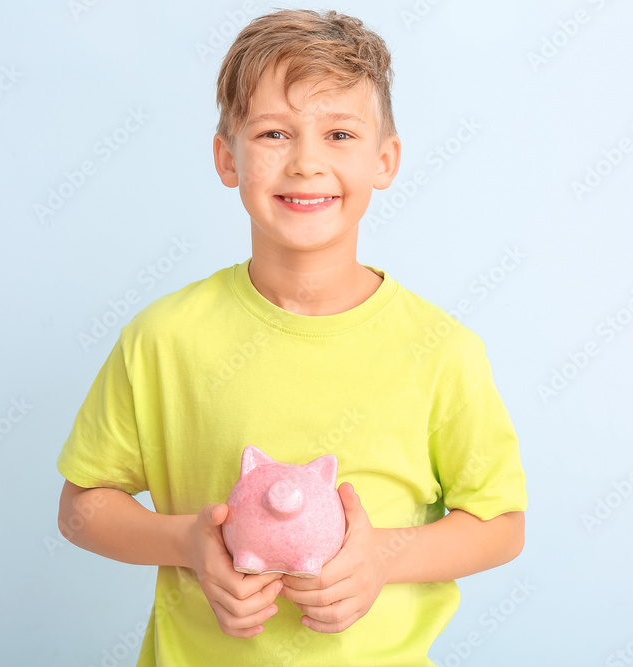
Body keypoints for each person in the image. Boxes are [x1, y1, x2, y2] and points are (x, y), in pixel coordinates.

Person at [56, 8, 527, 666]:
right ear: (228, 157)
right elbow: (81, 506)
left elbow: (501, 523)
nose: (306, 162)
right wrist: (187, 542)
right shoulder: (163, 339)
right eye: (274, 133)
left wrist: (382, 558)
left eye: (339, 133)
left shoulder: (441, 351)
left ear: (385, 159)